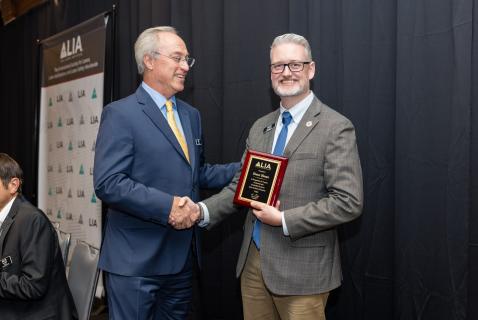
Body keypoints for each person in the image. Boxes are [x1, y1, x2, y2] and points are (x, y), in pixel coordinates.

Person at [179, 33, 364, 319]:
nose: (286, 73)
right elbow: (241, 185)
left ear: (311, 69)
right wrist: (200, 211)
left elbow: (348, 202)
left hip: (303, 271)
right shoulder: (260, 127)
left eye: (294, 65)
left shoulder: (335, 127)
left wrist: (285, 220)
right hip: (253, 264)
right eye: (278, 66)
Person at [93, 26, 239, 320]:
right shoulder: (121, 114)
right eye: (177, 58)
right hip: (135, 265)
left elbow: (197, 173)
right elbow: (109, 183)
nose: (185, 66)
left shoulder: (191, 115)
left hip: (181, 261)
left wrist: (250, 166)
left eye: (187, 60)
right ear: (149, 60)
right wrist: (167, 206)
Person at [0, 153, 78, 320]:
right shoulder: (7, 214)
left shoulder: (32, 221)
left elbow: (32, 286)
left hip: (36, 313)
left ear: (13, 185)